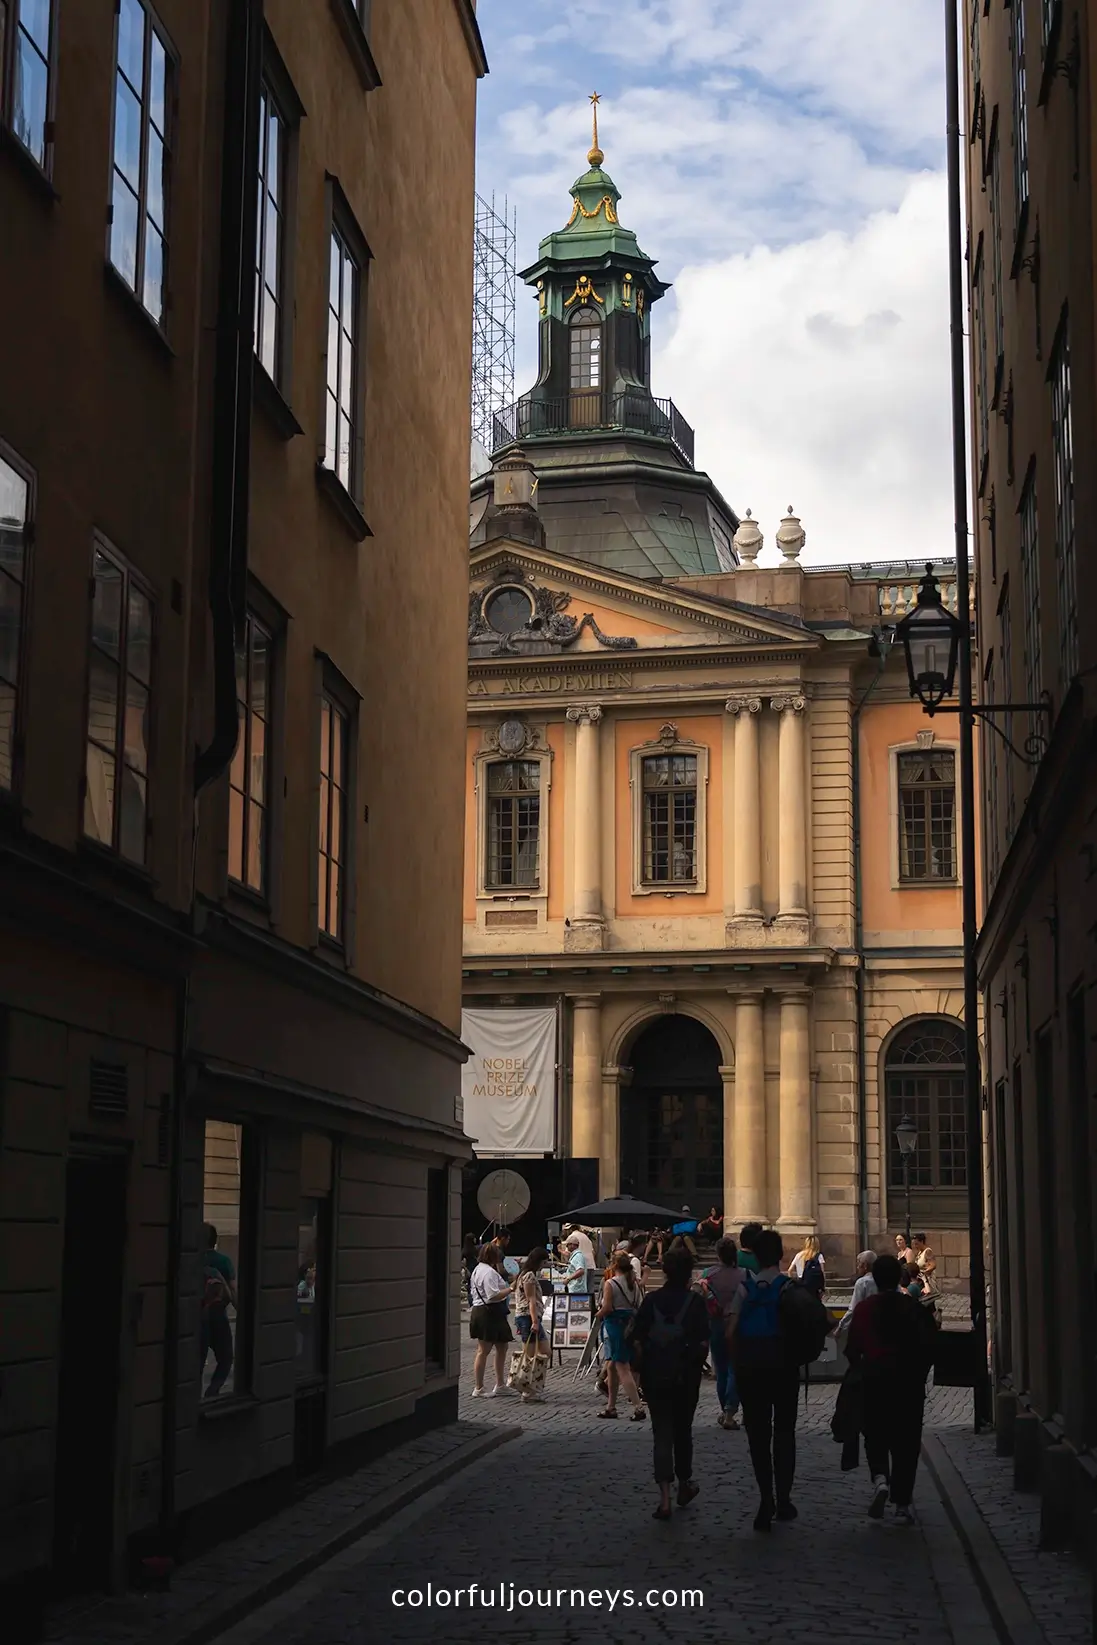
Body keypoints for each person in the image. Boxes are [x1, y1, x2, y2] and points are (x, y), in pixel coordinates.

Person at [846, 1254, 937, 1523]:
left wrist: (861, 1368)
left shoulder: (865, 1309)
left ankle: (880, 1479)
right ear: (899, 1278)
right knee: (906, 1442)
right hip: (907, 1383)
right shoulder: (913, 1308)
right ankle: (902, 1504)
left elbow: (852, 1349)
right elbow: (929, 1346)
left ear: (874, 1278)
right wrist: (919, 1375)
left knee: (874, 1433)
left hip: (874, 1380)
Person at [727, 1228, 799, 1531]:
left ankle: (765, 1498)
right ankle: (784, 1500)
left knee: (758, 1437)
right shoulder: (789, 1288)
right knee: (784, 1433)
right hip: (784, 1369)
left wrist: (738, 1362)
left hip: (752, 1370)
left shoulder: (745, 1289)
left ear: (755, 1257)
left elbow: (730, 1332)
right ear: (781, 1256)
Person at [630, 1245, 710, 1520]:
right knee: (683, 1431)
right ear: (688, 1273)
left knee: (661, 1433)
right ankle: (684, 1483)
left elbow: (636, 1337)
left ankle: (664, 1499)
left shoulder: (651, 1301)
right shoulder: (695, 1303)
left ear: (664, 1271)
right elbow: (703, 1343)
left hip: (655, 1377)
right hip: (685, 1378)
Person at [597, 1253, 647, 1420]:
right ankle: (611, 1407)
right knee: (612, 1366)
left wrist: (597, 1315)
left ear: (614, 1265)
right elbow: (639, 1305)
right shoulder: (633, 1283)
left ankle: (638, 1407)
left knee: (622, 1367)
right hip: (630, 1327)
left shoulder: (610, 1283)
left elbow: (607, 1308)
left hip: (615, 1326)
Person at [701, 1235, 743, 1429]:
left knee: (721, 1369)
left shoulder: (708, 1274)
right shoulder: (744, 1275)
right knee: (735, 1369)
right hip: (737, 1325)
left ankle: (724, 1409)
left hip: (715, 1324)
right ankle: (729, 1411)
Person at [468, 1243, 514, 1397]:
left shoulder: (478, 1269)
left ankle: (500, 1384)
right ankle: (479, 1387)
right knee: (484, 1350)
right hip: (488, 1312)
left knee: (502, 1346)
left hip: (484, 1311)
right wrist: (510, 1289)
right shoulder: (488, 1272)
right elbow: (492, 1295)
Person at [200, 1223, 237, 1399]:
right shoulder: (223, 1262)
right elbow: (232, 1291)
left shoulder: (192, 1259)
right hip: (217, 1314)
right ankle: (212, 1392)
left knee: (197, 1361)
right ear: (215, 1241)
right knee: (226, 1358)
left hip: (196, 1315)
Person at [513, 1247, 550, 1404]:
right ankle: (527, 1390)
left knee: (544, 1351)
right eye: (544, 1262)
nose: (544, 1265)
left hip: (530, 1317)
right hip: (528, 1317)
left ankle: (532, 1386)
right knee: (529, 1355)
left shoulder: (525, 1274)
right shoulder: (528, 1276)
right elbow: (531, 1300)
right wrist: (534, 1321)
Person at [834, 1251, 879, 1341]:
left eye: (859, 1263)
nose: (857, 1267)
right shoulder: (882, 1279)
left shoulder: (862, 1282)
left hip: (867, 1327)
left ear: (865, 1266)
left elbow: (854, 1308)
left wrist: (840, 1327)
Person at [461, 1233, 478, 1305]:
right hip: (474, 1269)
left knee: (470, 1288)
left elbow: (461, 1262)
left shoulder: (464, 1250)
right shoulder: (475, 1249)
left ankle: (471, 1303)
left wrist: (465, 1269)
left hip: (469, 1270)